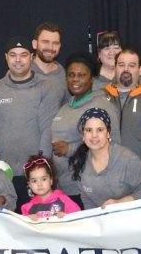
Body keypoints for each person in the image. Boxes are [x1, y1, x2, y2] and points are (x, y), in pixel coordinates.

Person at [0, 37, 61, 209]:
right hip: (3, 173)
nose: (18, 60)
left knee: (36, 225)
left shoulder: (46, 88)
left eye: (23, 55)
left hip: (35, 175)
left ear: (31, 57)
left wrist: (41, 168)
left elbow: (47, 129)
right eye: (13, 55)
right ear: (6, 57)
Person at [51, 54, 119, 205]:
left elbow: (112, 144)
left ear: (91, 79)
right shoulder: (65, 108)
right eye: (71, 75)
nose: (75, 79)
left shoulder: (100, 105)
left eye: (81, 75)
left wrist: (70, 149)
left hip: (88, 188)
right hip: (65, 187)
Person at [69, 108, 141, 209]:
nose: (94, 135)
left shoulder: (127, 159)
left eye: (100, 130)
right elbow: (87, 200)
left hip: (133, 216)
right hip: (103, 221)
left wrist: (120, 203)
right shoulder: (80, 162)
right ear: (83, 135)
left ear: (108, 133)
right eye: (88, 130)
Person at [102, 48, 141, 172]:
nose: (126, 69)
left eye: (132, 65)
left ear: (140, 70)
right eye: (121, 65)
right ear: (115, 68)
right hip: (107, 173)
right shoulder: (100, 97)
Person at [20, 153, 82, 220]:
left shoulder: (64, 200)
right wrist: (28, 220)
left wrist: (66, 216)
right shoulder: (27, 208)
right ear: (29, 185)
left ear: (51, 180)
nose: (39, 184)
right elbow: (22, 228)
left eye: (44, 179)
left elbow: (78, 216)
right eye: (34, 181)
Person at [31, 22, 70, 105]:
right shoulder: (22, 71)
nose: (50, 47)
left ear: (60, 46)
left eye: (55, 43)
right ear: (35, 44)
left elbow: (68, 109)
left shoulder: (65, 76)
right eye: (45, 42)